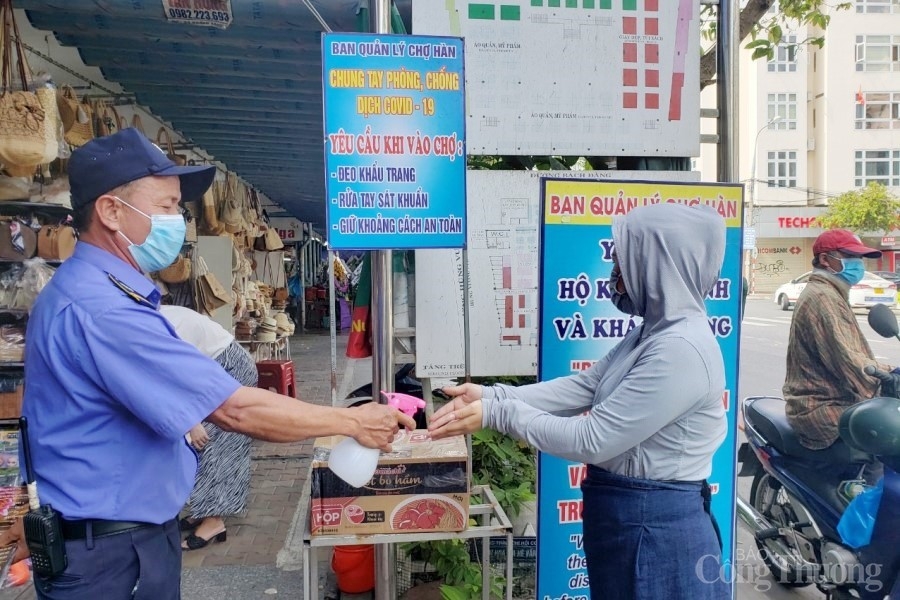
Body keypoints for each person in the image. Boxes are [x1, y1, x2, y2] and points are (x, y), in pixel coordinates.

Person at [0, 128, 414, 600]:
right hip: (112, 556)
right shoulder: (102, 309)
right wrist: (351, 420)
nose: (177, 220)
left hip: (111, 541)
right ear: (111, 212)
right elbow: (236, 409)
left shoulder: (95, 292)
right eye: (167, 206)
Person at [429, 203, 729, 599]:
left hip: (656, 529)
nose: (615, 275)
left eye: (623, 263)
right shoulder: (650, 335)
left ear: (657, 264)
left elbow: (592, 438)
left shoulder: (681, 349)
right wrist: (492, 394)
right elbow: (587, 386)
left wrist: (499, 413)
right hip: (632, 519)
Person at [783, 229, 894, 452]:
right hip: (822, 408)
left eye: (860, 258)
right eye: (851, 257)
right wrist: (891, 376)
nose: (858, 264)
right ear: (825, 259)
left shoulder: (830, 293)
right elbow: (850, 362)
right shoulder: (823, 298)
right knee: (885, 445)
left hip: (838, 402)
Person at [159, 305, 255, 551]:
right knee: (200, 443)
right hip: (209, 371)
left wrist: (192, 421)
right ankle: (205, 509)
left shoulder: (160, 325)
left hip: (229, 368)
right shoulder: (149, 319)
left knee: (216, 443)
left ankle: (214, 520)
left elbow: (179, 376)